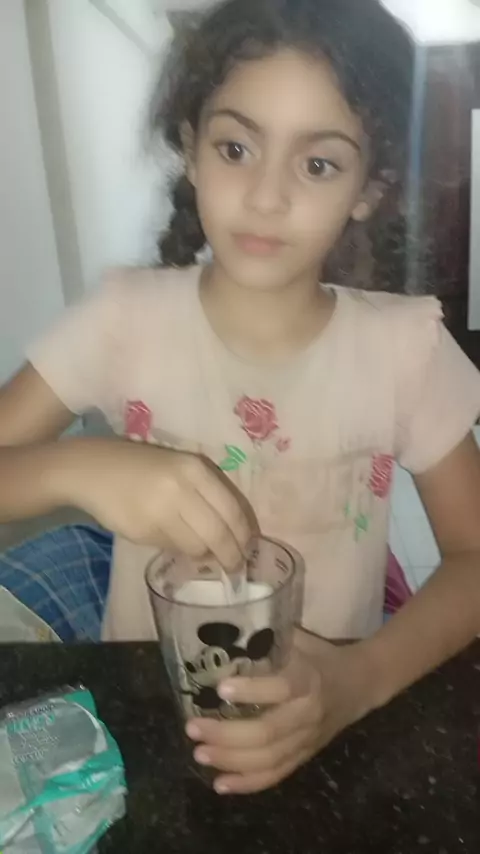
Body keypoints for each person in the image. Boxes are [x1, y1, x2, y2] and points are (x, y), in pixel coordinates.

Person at [0, 0, 479, 795]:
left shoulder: (406, 350)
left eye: (317, 164)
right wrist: (78, 467)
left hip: (326, 726)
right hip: (147, 727)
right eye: (236, 148)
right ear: (190, 149)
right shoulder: (124, 319)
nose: (265, 196)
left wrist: (358, 682)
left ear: (370, 187)